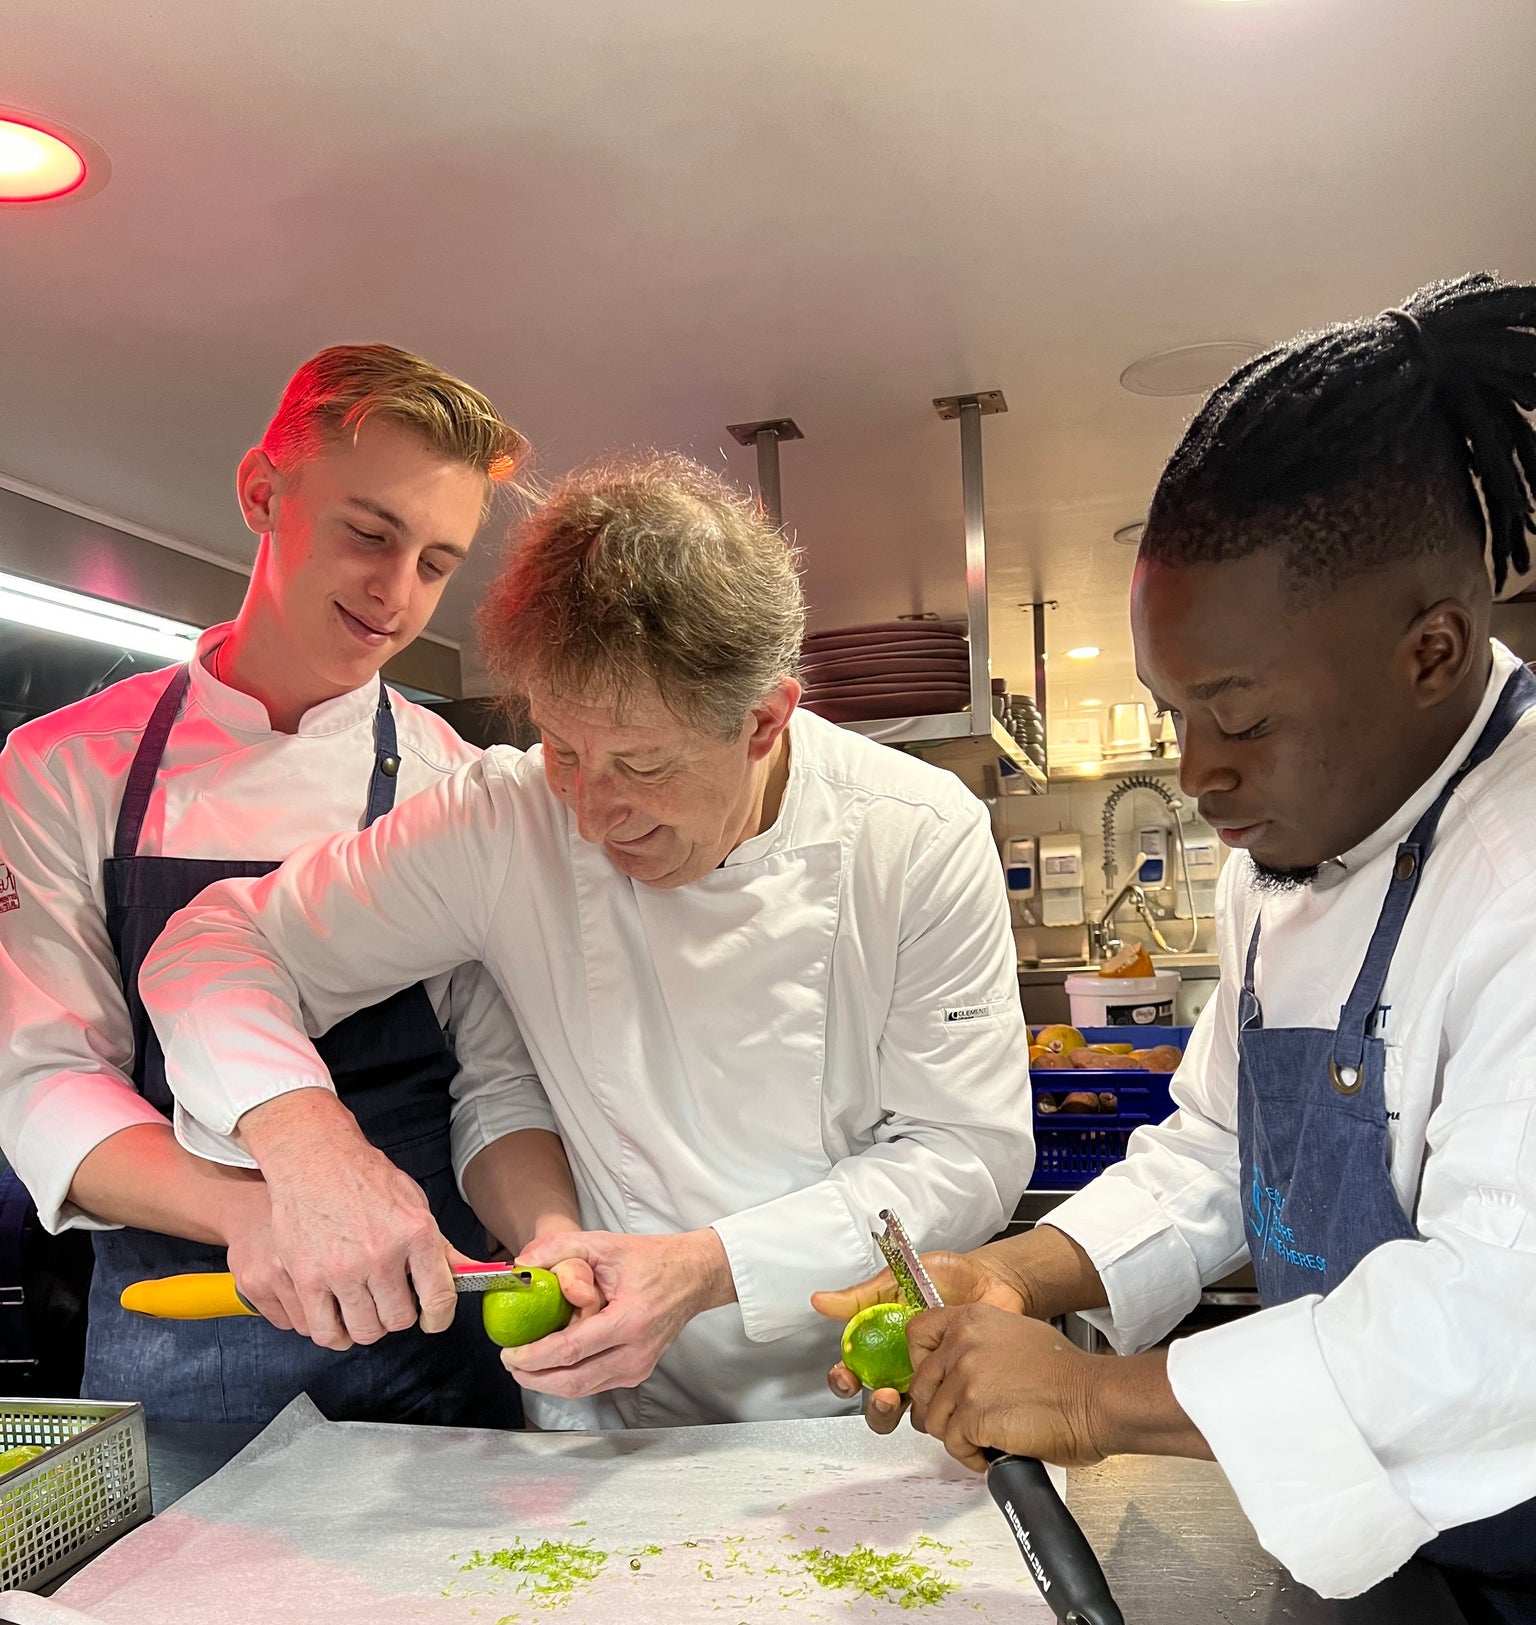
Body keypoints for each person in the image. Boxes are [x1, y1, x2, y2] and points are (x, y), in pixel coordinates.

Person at [818, 273, 1536, 1625]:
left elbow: (1496, 1323)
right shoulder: (1287, 845)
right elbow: (1217, 1155)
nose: (1200, 776)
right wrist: (1016, 1279)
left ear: (1433, 651)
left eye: (1243, 715)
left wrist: (1100, 1405)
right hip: (1376, 1565)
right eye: (1176, 714)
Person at [137, 454, 1034, 1429]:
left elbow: (966, 1149)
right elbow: (212, 945)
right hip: (612, 1413)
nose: (595, 812)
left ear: (766, 720)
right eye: (565, 750)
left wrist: (706, 1269)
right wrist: (306, 1139)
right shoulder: (503, 821)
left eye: (642, 765)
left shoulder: (914, 830)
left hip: (855, 1391)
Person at [0, 343, 595, 1426]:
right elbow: (43, 1082)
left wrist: (548, 1227)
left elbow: (497, 1077)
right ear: (261, 492)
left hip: (434, 1343)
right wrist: (268, 1208)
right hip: (181, 1337)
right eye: (370, 533)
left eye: (435, 561)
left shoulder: (456, 785)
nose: (395, 591)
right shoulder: (62, 766)